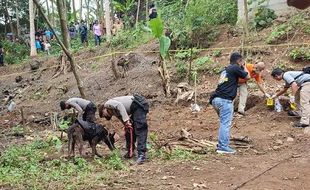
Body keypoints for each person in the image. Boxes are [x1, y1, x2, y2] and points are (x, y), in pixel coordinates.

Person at [209, 52, 249, 154]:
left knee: (224, 123)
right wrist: (244, 66)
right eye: (241, 62)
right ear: (239, 61)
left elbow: (233, 82)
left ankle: (222, 144)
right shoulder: (235, 67)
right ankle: (222, 147)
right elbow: (247, 76)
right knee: (225, 124)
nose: (242, 64)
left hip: (215, 100)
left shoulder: (225, 70)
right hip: (224, 100)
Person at [99, 94, 149, 164]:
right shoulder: (114, 112)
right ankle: (130, 151)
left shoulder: (108, 103)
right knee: (128, 132)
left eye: (103, 114)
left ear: (104, 109)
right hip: (134, 110)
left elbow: (120, 106)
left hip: (138, 104)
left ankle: (142, 155)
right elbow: (122, 117)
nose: (105, 116)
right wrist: (126, 125)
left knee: (140, 129)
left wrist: (127, 120)